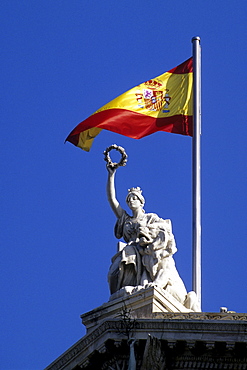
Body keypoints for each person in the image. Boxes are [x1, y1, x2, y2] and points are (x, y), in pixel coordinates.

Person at [106, 164, 200, 311]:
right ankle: (118, 297)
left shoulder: (151, 218)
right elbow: (112, 200)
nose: (131, 201)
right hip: (134, 251)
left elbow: (164, 231)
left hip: (146, 251)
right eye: (129, 199)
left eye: (134, 198)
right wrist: (111, 175)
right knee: (113, 272)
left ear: (141, 201)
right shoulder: (126, 219)